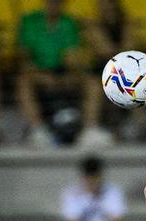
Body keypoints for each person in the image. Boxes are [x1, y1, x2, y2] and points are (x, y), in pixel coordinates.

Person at [15, 0, 105, 148]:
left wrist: (71, 74)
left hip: (65, 72)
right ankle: (38, 130)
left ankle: (90, 129)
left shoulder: (69, 23)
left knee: (93, 83)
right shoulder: (29, 22)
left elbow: (72, 57)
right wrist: (41, 75)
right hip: (37, 72)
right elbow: (24, 59)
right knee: (22, 82)